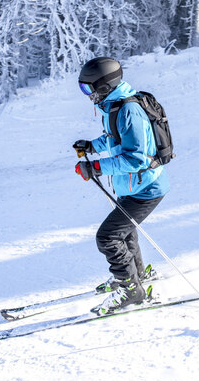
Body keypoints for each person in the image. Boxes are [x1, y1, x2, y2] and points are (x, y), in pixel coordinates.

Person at [73, 56, 170, 315]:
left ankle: (131, 290)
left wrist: (96, 167)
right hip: (133, 187)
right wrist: (92, 146)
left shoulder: (129, 110)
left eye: (88, 88)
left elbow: (137, 158)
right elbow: (115, 139)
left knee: (108, 237)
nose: (87, 94)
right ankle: (135, 275)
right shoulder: (114, 106)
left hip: (146, 188)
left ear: (104, 86)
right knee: (124, 231)